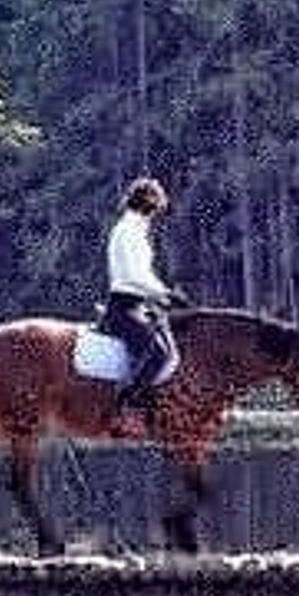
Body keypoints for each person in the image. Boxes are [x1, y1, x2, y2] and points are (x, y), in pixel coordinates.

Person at [101, 177, 186, 420]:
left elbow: (144, 275)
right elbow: (133, 275)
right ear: (148, 204)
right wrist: (165, 293)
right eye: (156, 207)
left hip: (138, 304)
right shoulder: (127, 231)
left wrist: (164, 295)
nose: (157, 214)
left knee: (169, 348)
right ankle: (125, 404)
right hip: (124, 307)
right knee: (158, 354)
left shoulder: (135, 230)